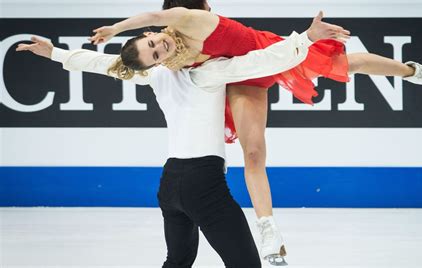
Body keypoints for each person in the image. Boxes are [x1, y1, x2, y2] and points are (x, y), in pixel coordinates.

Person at [88, 2, 422, 261]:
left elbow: (154, 15)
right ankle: (268, 227)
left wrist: (115, 27)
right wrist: (66, 54)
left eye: (156, 39)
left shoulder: (193, 22)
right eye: (155, 47)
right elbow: (133, 64)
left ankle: (416, 72)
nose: (159, 43)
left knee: (351, 64)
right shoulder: (173, 59)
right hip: (244, 79)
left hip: (271, 55)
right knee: (253, 153)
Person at [17, 14, 326, 266]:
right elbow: (262, 61)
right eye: (154, 54)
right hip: (203, 186)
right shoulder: (206, 73)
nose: (159, 47)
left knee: (178, 261)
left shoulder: (158, 76)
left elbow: (102, 63)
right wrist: (307, 38)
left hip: (170, 185)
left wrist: (55, 53)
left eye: (153, 43)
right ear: (155, 64)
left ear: (151, 32)